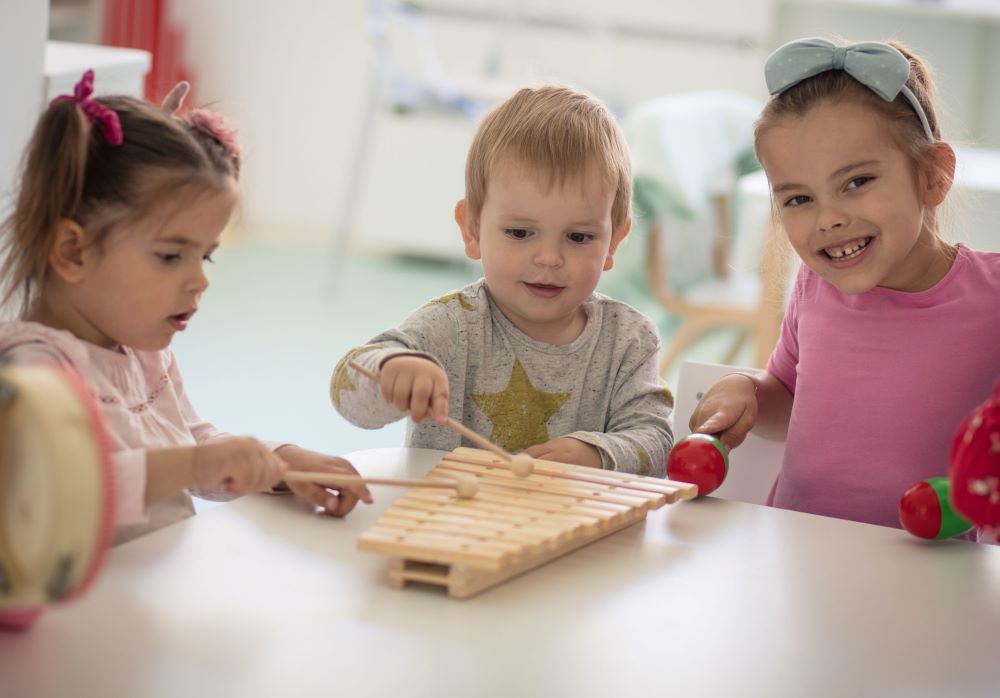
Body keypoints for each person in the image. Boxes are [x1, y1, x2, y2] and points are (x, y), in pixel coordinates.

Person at [0, 71, 371, 544]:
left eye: (206, 254)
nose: (200, 280)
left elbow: (189, 441)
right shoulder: (31, 373)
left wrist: (279, 461)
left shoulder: (139, 349)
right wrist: (194, 464)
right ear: (73, 252)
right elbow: (66, 490)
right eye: (171, 256)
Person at [689, 37, 1000, 529]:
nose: (828, 219)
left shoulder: (994, 299)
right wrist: (745, 389)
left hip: (939, 581)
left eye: (856, 182)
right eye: (797, 199)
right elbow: (788, 401)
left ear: (933, 176)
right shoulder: (813, 288)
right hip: (800, 555)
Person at [331, 85, 673, 476]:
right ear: (472, 230)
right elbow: (347, 386)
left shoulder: (628, 339)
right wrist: (391, 368)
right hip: (449, 525)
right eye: (519, 233)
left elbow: (658, 442)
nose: (549, 258)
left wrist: (596, 454)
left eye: (579, 237)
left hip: (577, 530)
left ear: (615, 241)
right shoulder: (451, 326)